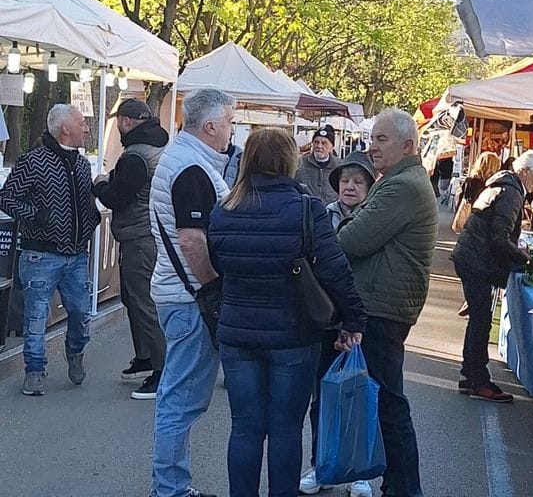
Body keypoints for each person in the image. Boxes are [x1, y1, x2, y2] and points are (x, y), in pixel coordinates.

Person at [208, 128, 368, 497]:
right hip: (293, 334)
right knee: (285, 429)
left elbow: (217, 263)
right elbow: (335, 270)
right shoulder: (306, 209)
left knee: (244, 428)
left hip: (237, 330)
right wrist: (353, 319)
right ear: (288, 161)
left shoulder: (224, 209)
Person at [336, 108, 437, 497]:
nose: (372, 147)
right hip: (385, 302)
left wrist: (346, 225)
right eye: (372, 138)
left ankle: (405, 488)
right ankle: (398, 484)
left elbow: (351, 240)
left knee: (389, 404)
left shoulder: (402, 186)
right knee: (385, 402)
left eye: (381, 139)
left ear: (407, 145)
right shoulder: (397, 181)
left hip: (382, 306)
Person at [149, 88, 237, 497]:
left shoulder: (185, 159)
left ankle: (171, 486)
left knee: (178, 399)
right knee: (181, 400)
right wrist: (213, 287)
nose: (232, 130)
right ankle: (170, 489)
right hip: (190, 298)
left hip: (181, 294)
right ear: (211, 126)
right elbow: (191, 240)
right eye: (230, 122)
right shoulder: (191, 167)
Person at [0, 104, 100, 396]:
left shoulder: (82, 164)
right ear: (65, 129)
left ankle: (75, 351)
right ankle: (34, 370)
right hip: (40, 254)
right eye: (81, 123)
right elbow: (6, 198)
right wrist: (36, 216)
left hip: (77, 253)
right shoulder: (33, 161)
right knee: (35, 317)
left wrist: (92, 217)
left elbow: (85, 201)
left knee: (80, 312)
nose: (86, 128)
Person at [300, 150, 377, 497]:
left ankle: (358, 472)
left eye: (358, 182)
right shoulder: (322, 215)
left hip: (363, 319)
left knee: (358, 397)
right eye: (345, 180)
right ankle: (322, 465)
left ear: (369, 187)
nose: (350, 186)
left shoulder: (375, 219)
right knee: (323, 398)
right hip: (328, 321)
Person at [451, 150, 533, 403]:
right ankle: (478, 380)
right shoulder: (511, 192)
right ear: (526, 171)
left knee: (478, 320)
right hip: (476, 260)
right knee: (481, 321)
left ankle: (470, 376)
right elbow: (499, 238)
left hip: (471, 256)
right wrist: (525, 258)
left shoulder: (503, 184)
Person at [93, 98, 169, 400]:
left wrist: (101, 184)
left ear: (126, 121)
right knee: (134, 299)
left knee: (143, 303)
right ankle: (146, 357)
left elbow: (117, 197)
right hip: (147, 233)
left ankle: (161, 370)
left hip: (139, 236)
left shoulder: (136, 155)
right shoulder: (157, 146)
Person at [453, 151, 503, 318]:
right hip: (479, 229)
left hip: (468, 228)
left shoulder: (470, 181)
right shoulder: (487, 186)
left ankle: (469, 300)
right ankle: (471, 301)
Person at [294, 126, 340, 204]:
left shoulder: (339, 166)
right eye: (316, 142)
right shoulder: (300, 164)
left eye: (324, 143)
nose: (319, 146)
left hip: (330, 209)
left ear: (331, 147)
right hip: (306, 208)